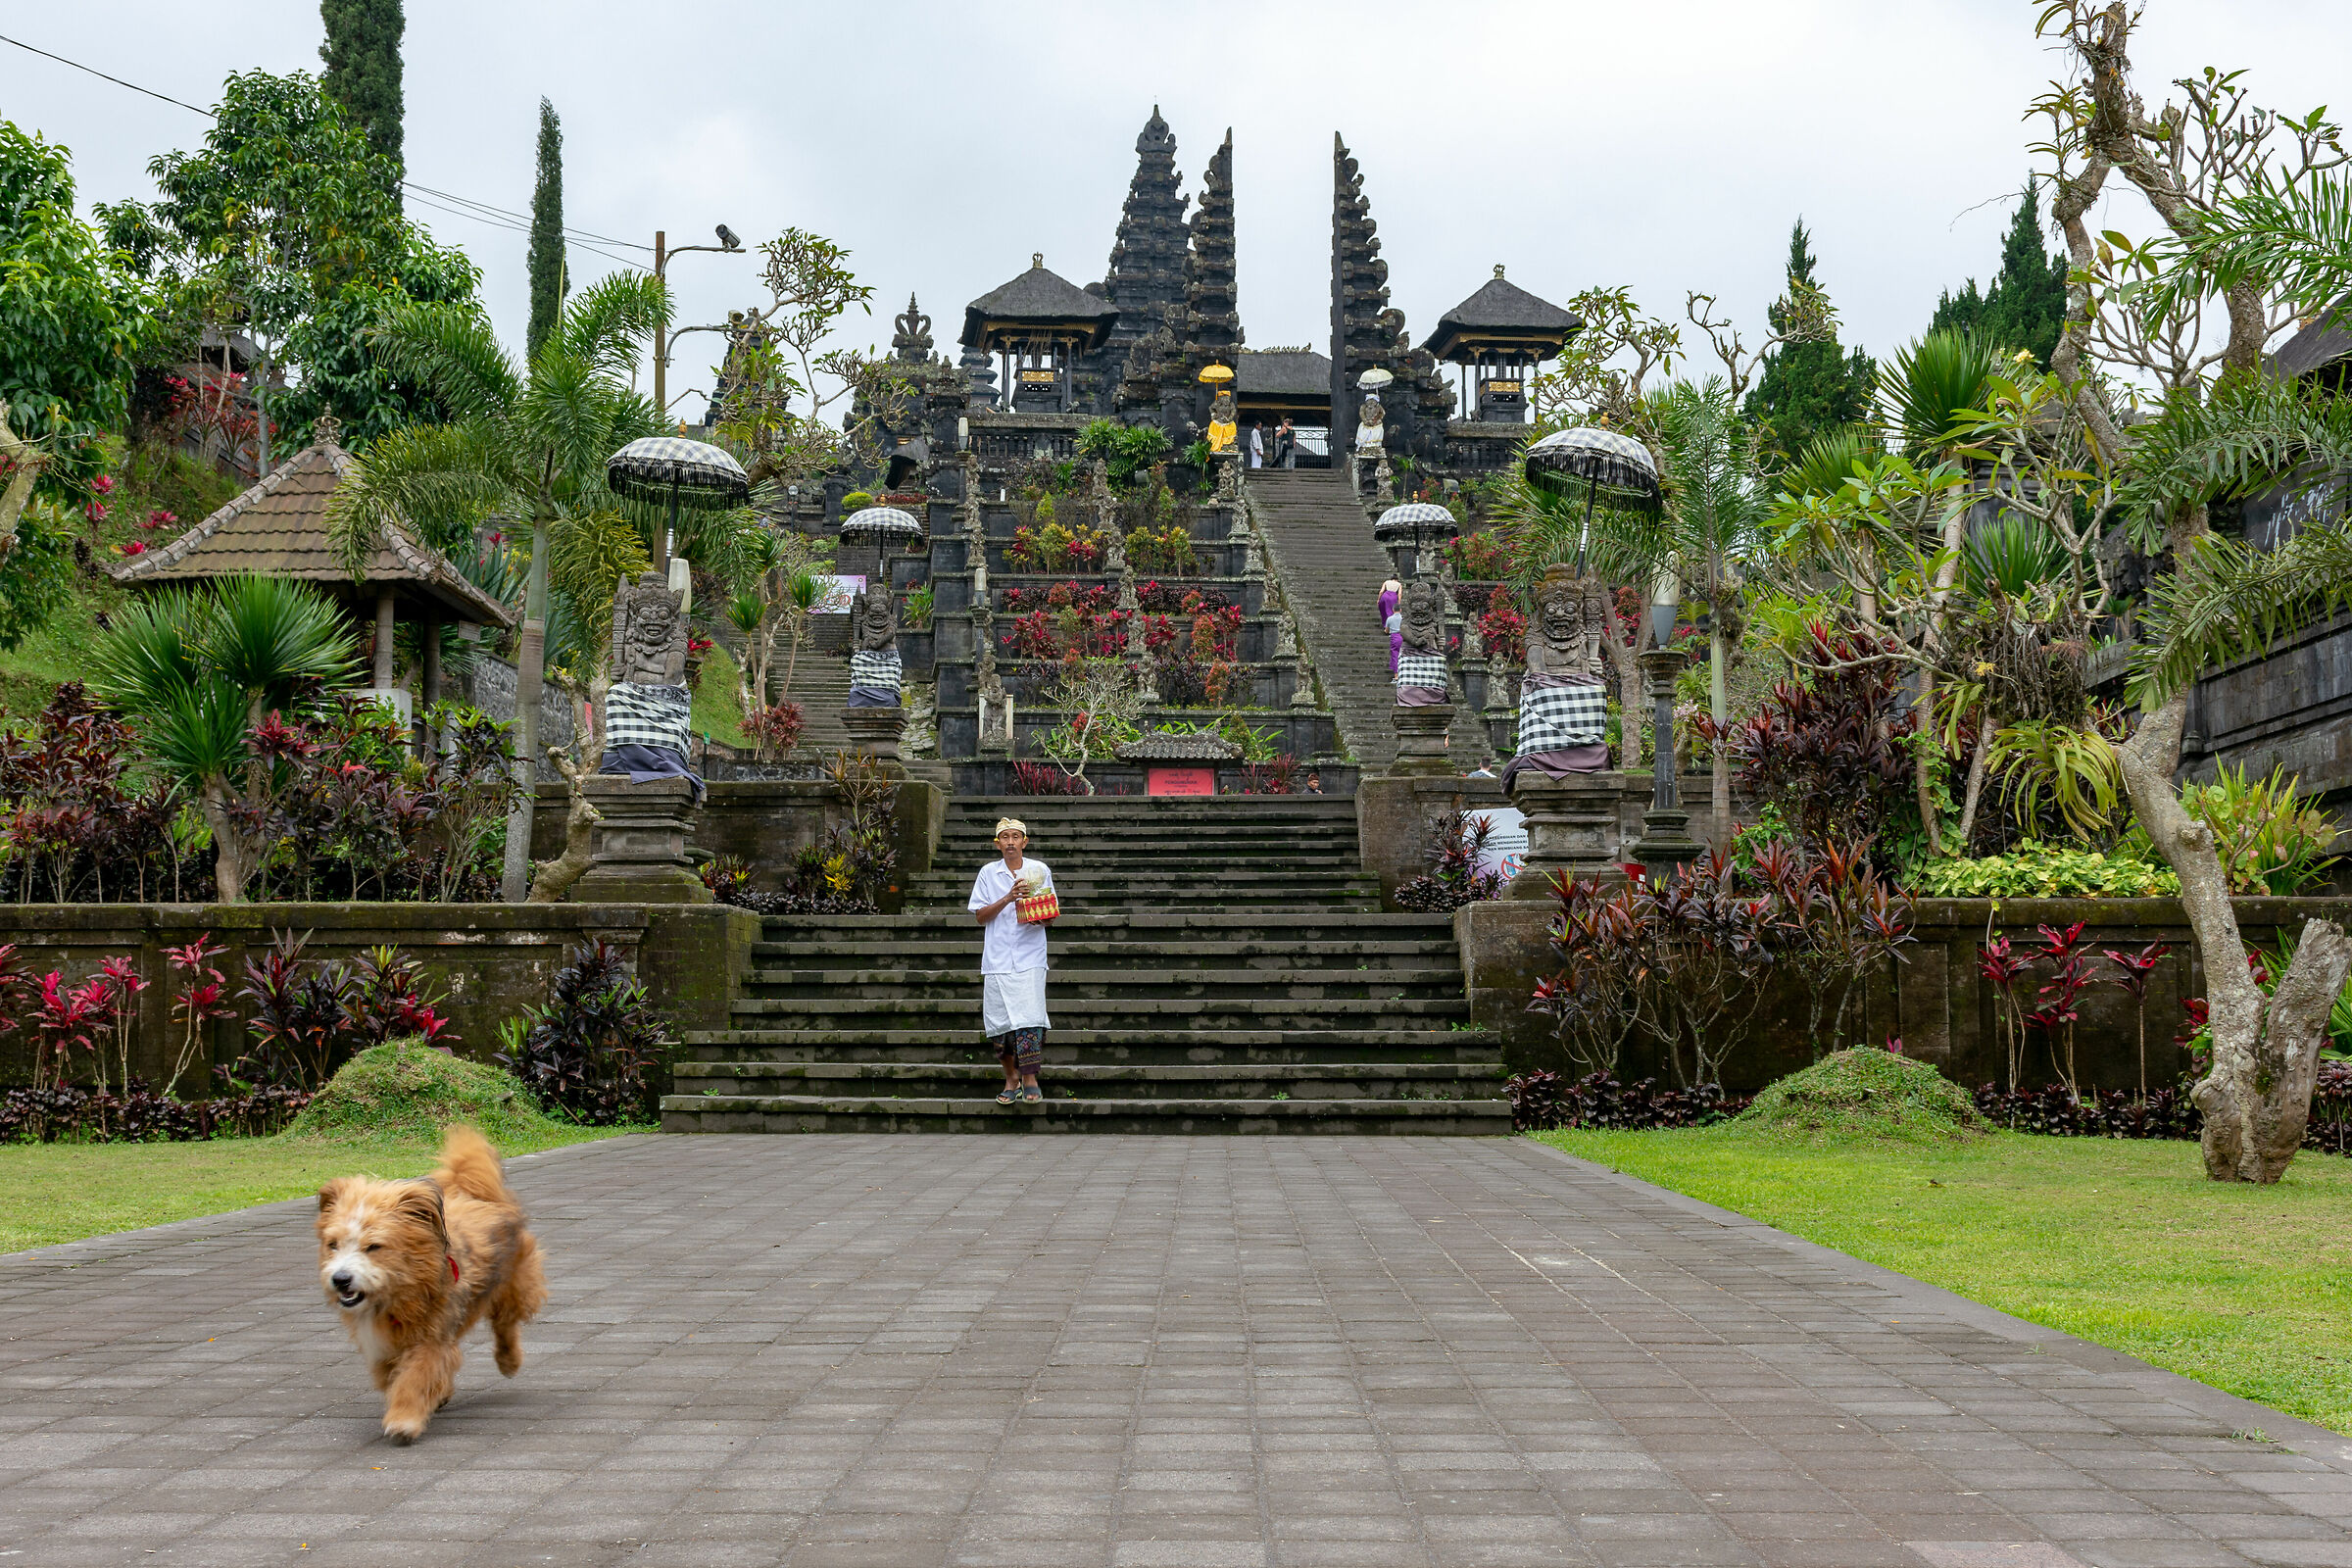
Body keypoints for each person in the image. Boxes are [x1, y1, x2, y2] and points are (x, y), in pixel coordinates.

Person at [967, 817, 1054, 1104]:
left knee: (1030, 1019)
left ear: (1024, 841)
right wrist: (1008, 898)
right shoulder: (988, 874)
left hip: (1030, 957)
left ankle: (1030, 1078)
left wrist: (1035, 909)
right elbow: (980, 916)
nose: (1010, 842)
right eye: (1004, 837)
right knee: (1000, 1026)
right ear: (998, 844)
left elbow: (1050, 916)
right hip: (998, 959)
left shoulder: (1038, 870)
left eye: (1015, 836)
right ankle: (1011, 1078)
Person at [1379, 577, 1403, 675]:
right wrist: (1399, 602)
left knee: (1385, 610)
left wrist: (1378, 599)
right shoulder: (1398, 584)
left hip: (1385, 596)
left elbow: (1381, 591)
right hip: (1393, 596)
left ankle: (1396, 675)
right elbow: (1400, 594)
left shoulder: (1386, 582)